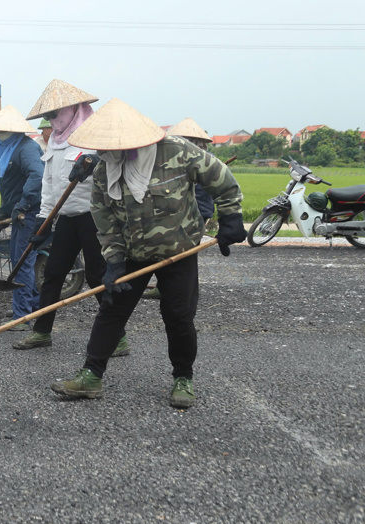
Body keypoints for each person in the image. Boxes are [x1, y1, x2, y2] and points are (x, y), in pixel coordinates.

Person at [50, 99, 246, 408]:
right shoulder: (104, 169)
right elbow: (105, 220)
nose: (106, 151)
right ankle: (91, 377)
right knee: (111, 309)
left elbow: (222, 180)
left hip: (178, 251)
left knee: (178, 315)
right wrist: (113, 260)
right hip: (131, 253)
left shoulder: (178, 151)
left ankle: (183, 378)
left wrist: (231, 218)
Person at [13, 80, 127, 356]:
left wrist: (96, 164)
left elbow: (116, 169)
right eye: (48, 116)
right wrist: (43, 221)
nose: (52, 120)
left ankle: (118, 337)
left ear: (73, 109)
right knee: (52, 274)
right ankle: (42, 332)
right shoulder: (54, 139)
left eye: (54, 114)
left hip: (93, 217)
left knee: (97, 275)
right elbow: (49, 184)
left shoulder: (94, 134)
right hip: (65, 217)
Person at [0, 105, 44, 329]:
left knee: (22, 261)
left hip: (28, 212)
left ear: (9, 131)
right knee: (20, 259)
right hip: (17, 211)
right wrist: (4, 212)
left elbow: (37, 175)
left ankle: (22, 316)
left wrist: (24, 204)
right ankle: (31, 306)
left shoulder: (26, 149)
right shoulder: (4, 145)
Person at [143, 118, 216, 300]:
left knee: (184, 261)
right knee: (178, 258)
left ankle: (183, 296)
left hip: (194, 215)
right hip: (187, 214)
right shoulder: (185, 159)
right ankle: (172, 291)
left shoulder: (199, 160)